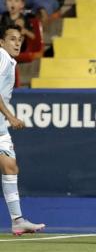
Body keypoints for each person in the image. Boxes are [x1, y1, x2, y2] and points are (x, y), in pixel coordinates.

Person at [0, 24, 45, 235]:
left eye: (19, 39)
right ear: (1, 42)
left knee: (10, 167)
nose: (17, 42)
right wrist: (11, 116)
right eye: (12, 39)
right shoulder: (1, 56)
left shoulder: (10, 61)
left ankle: (17, 220)